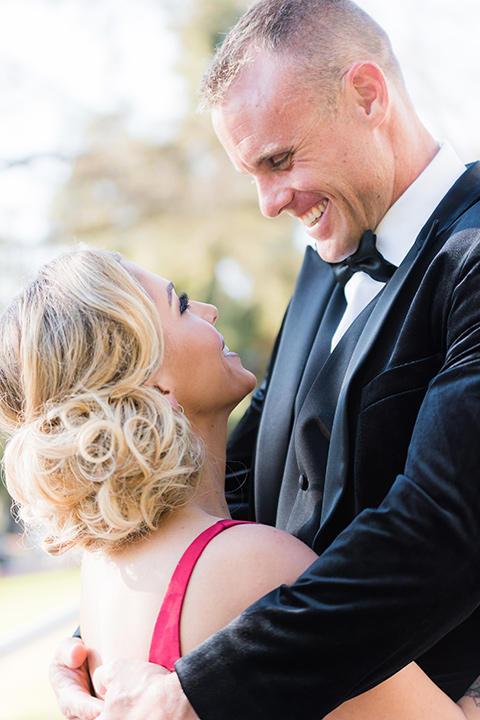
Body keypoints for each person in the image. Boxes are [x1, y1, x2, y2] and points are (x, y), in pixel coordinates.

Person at [49, 0, 480, 718]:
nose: (268, 204)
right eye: (251, 172)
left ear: (368, 95)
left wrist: (196, 690)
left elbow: (444, 526)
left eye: (279, 160)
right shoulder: (321, 266)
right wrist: (96, 649)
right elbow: (232, 480)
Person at [6, 248, 478, 720]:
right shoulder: (254, 565)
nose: (209, 310)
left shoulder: (103, 572)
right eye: (183, 304)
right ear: (156, 385)